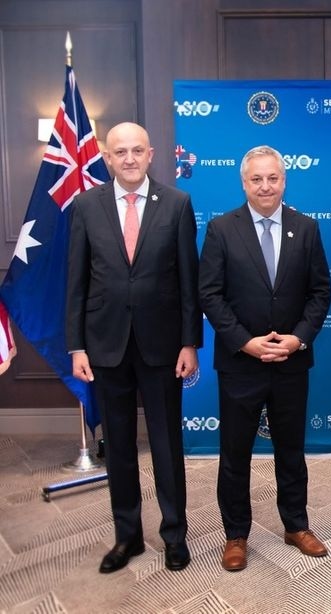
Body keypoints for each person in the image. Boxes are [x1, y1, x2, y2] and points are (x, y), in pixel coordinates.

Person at [66, 122, 201, 573]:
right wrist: (76, 347)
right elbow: (77, 283)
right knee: (119, 447)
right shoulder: (86, 205)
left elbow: (188, 281)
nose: (128, 158)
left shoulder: (178, 204)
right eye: (119, 151)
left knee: (167, 445)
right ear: (107, 158)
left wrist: (190, 342)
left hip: (163, 345)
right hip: (104, 346)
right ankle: (128, 537)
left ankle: (174, 536)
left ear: (151, 154)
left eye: (136, 150)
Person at [199, 145, 331, 572]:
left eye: (272, 178)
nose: (265, 186)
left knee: (291, 451)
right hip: (240, 363)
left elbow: (320, 294)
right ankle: (236, 534)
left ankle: (296, 525)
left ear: (284, 180)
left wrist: (297, 339)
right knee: (234, 454)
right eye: (256, 179)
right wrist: (245, 342)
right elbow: (210, 294)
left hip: (291, 362)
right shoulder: (221, 229)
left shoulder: (306, 228)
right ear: (244, 183)